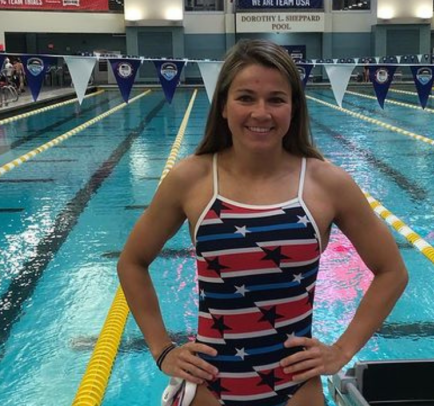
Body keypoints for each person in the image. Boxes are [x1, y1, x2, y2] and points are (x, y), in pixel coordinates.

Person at [117, 39, 408, 406]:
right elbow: (131, 262)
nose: (261, 112)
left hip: (296, 391)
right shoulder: (191, 180)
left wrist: (341, 351)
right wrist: (162, 350)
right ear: (223, 105)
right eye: (245, 98)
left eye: (276, 99)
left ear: (293, 108)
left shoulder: (326, 183)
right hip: (209, 389)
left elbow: (392, 271)